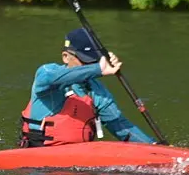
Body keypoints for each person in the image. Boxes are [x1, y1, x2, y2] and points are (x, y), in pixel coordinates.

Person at [20, 28, 155, 146]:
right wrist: (99, 68)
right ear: (65, 57)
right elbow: (56, 77)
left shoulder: (96, 90)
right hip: (40, 157)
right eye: (85, 60)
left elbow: (121, 127)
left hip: (78, 164)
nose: (89, 67)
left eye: (93, 61)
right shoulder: (47, 73)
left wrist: (153, 147)